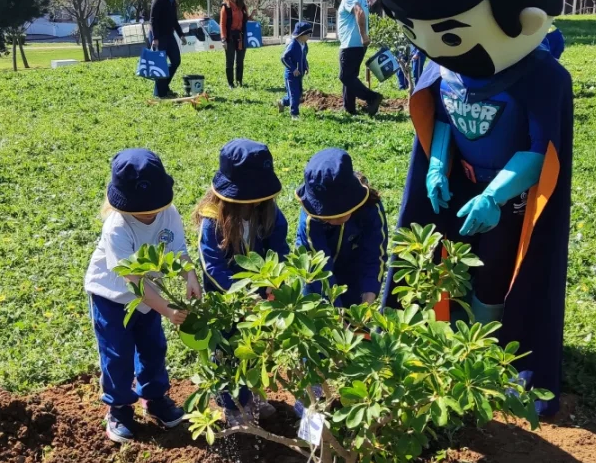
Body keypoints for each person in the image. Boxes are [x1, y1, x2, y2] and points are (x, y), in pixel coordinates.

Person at [356, 0, 574, 418]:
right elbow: (443, 122)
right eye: (418, 30)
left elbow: (539, 153)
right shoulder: (442, 68)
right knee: (443, 271)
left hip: (509, 206)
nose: (433, 44)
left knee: (495, 278)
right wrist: (435, 164)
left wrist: (498, 196)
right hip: (457, 186)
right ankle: (445, 350)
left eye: (448, 33)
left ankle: (492, 359)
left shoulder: (540, 79)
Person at [84, 149, 202, 442]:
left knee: (153, 348)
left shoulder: (167, 212)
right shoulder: (117, 228)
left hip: (148, 301)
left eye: (155, 206)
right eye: (142, 207)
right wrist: (168, 311)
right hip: (112, 297)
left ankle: (154, 398)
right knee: (117, 353)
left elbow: (179, 250)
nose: (151, 212)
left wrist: (190, 274)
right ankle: (120, 407)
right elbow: (134, 283)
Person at [194, 139, 287, 424]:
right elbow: (213, 267)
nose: (256, 200)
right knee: (227, 353)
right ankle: (234, 405)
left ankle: (255, 395)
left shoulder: (269, 213)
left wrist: (274, 283)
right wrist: (245, 296)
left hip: (260, 301)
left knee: (257, 348)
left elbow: (280, 250)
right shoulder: (213, 219)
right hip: (225, 302)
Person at [295, 148, 388, 307]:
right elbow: (319, 269)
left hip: (354, 276)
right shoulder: (311, 220)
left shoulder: (371, 208)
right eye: (327, 216)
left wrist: (367, 300)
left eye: (338, 214)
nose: (332, 220)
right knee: (320, 323)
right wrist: (335, 315)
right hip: (318, 283)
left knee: (355, 316)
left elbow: (374, 255)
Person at [332, 0, 383, 116]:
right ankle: (349, 108)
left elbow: (358, 12)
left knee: (345, 77)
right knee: (351, 77)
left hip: (351, 44)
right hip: (356, 44)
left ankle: (372, 97)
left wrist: (363, 35)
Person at [149, 0, 187, 98]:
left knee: (176, 61)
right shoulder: (158, 0)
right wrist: (155, 38)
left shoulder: (172, 0)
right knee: (161, 65)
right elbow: (153, 20)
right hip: (159, 37)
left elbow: (174, 21)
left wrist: (181, 35)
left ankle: (163, 87)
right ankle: (161, 93)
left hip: (170, 36)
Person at [278, 21, 312, 118]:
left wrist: (306, 66)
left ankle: (282, 102)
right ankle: (294, 114)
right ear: (301, 34)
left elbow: (303, 57)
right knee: (294, 95)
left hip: (299, 74)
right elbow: (283, 58)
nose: (309, 36)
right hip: (291, 76)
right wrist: (293, 69)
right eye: (308, 34)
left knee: (295, 95)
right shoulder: (293, 45)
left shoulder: (304, 45)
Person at [220, 0, 249, 88]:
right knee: (230, 61)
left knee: (240, 60)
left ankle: (239, 81)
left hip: (240, 36)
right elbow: (222, 24)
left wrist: (251, 16)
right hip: (229, 37)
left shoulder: (242, 6)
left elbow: (244, 20)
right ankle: (230, 83)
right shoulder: (225, 7)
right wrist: (223, 39)